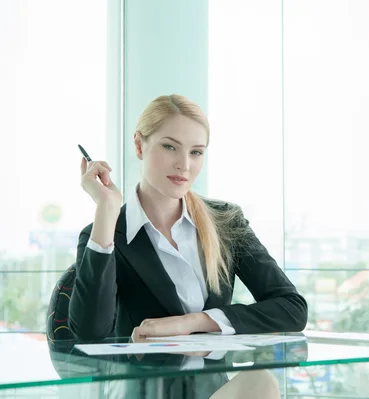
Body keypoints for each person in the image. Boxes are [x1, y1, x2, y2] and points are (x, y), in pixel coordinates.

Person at [69, 94, 308, 343]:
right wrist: (106, 209)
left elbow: (292, 309)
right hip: (146, 380)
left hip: (214, 380)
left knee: (263, 380)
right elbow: (90, 333)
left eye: (195, 152)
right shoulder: (106, 233)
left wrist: (193, 322)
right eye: (170, 147)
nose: (184, 165)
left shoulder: (225, 221)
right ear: (139, 145)